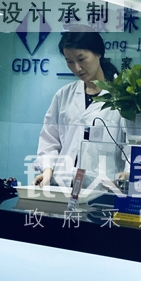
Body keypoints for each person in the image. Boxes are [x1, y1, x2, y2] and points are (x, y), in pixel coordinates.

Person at [34, 31, 125, 188]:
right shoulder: (64, 95)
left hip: (104, 188)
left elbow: (132, 145)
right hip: (62, 184)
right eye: (69, 61)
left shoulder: (123, 97)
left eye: (81, 59)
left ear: (98, 53)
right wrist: (48, 170)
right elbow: (49, 140)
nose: (77, 68)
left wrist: (128, 174)